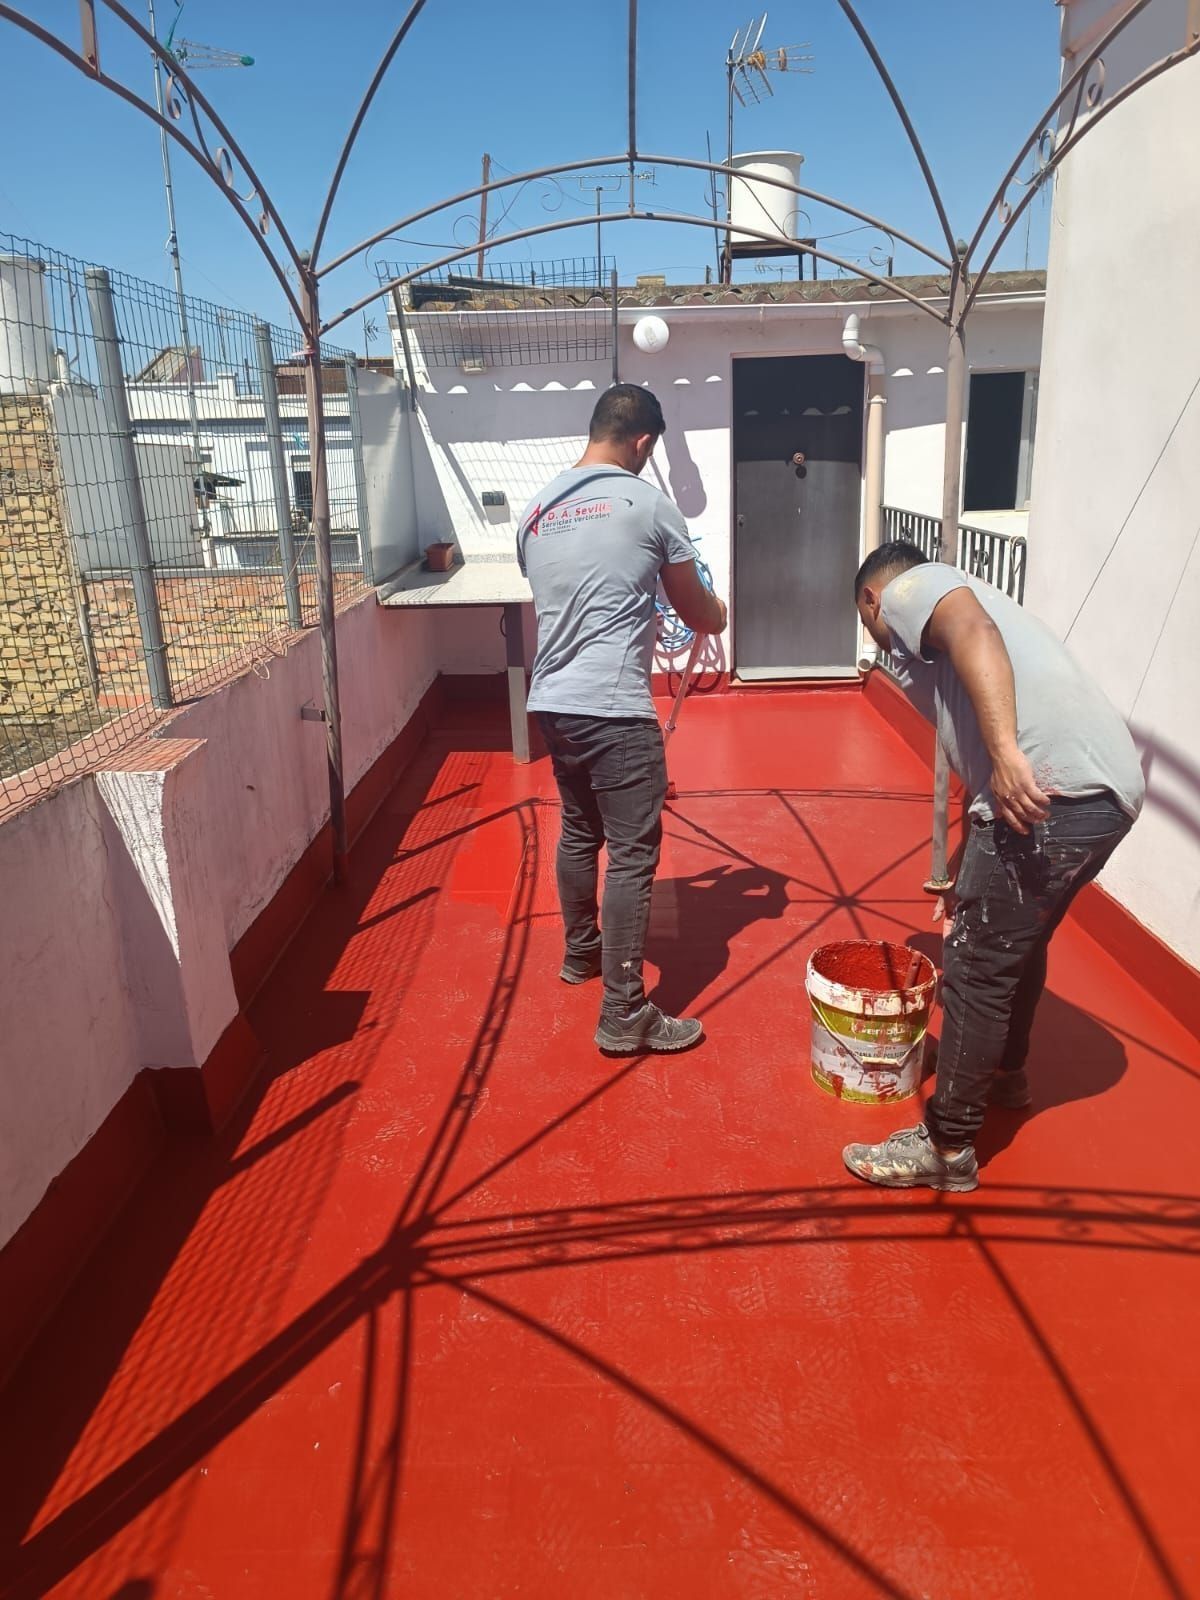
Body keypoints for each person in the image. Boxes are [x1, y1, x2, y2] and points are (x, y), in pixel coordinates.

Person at [843, 540, 1144, 1192]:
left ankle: (946, 1147)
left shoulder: (908, 590)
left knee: (976, 967)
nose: (880, 640)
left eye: (869, 626)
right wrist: (961, 864)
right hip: (1106, 797)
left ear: (871, 599)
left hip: (1052, 792)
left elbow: (972, 629)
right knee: (1018, 943)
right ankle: (1007, 1073)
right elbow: (976, 764)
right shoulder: (950, 637)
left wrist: (1008, 752)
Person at [517, 385, 727, 1054]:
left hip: (553, 702)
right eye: (651, 448)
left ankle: (582, 955)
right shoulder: (648, 503)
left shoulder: (537, 509)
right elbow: (698, 613)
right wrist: (718, 613)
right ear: (642, 441)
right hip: (615, 710)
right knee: (633, 856)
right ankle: (624, 1012)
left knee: (579, 832)